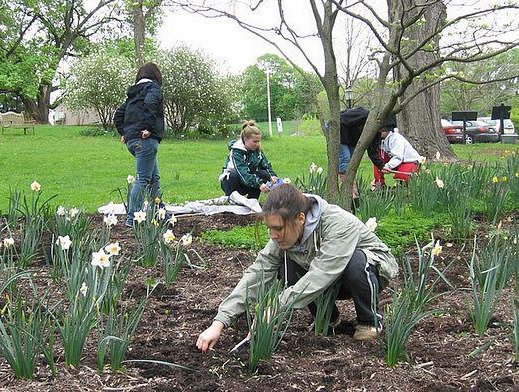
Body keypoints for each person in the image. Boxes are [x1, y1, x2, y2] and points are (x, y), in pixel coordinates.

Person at [196, 184, 398, 353]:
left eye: (277, 229)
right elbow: (258, 273)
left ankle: (369, 320)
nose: (273, 235)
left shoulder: (338, 223)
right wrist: (219, 322)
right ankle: (329, 319)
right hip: (330, 276)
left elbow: (321, 275)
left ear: (300, 218)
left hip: (369, 272)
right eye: (269, 228)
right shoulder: (286, 232)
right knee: (287, 265)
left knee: (356, 261)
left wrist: (275, 309)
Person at [114, 62, 165, 227]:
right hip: (145, 141)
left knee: (153, 178)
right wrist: (149, 128)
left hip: (132, 141)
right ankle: (132, 219)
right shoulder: (153, 89)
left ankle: (159, 211)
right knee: (143, 179)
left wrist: (124, 133)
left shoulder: (133, 94)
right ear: (155, 76)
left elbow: (118, 114)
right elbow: (151, 105)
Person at [219, 120, 278, 199]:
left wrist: (273, 177)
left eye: (258, 141)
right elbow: (242, 173)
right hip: (232, 182)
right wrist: (259, 184)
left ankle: (252, 201)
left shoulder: (257, 150)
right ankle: (230, 200)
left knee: (264, 174)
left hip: (247, 181)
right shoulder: (237, 151)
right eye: (254, 141)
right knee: (233, 175)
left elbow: (266, 165)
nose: (257, 144)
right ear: (245, 139)